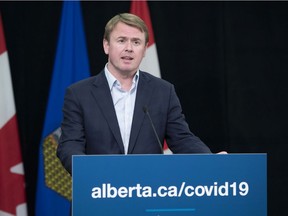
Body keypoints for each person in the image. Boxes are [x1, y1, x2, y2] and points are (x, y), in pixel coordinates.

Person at [57, 13, 221, 175]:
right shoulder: (79, 94)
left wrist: (209, 160)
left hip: (147, 193)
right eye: (121, 40)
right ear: (106, 45)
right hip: (99, 190)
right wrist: (90, 173)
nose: (129, 48)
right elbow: (70, 144)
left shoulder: (163, 91)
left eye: (136, 42)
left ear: (144, 49)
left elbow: (182, 139)